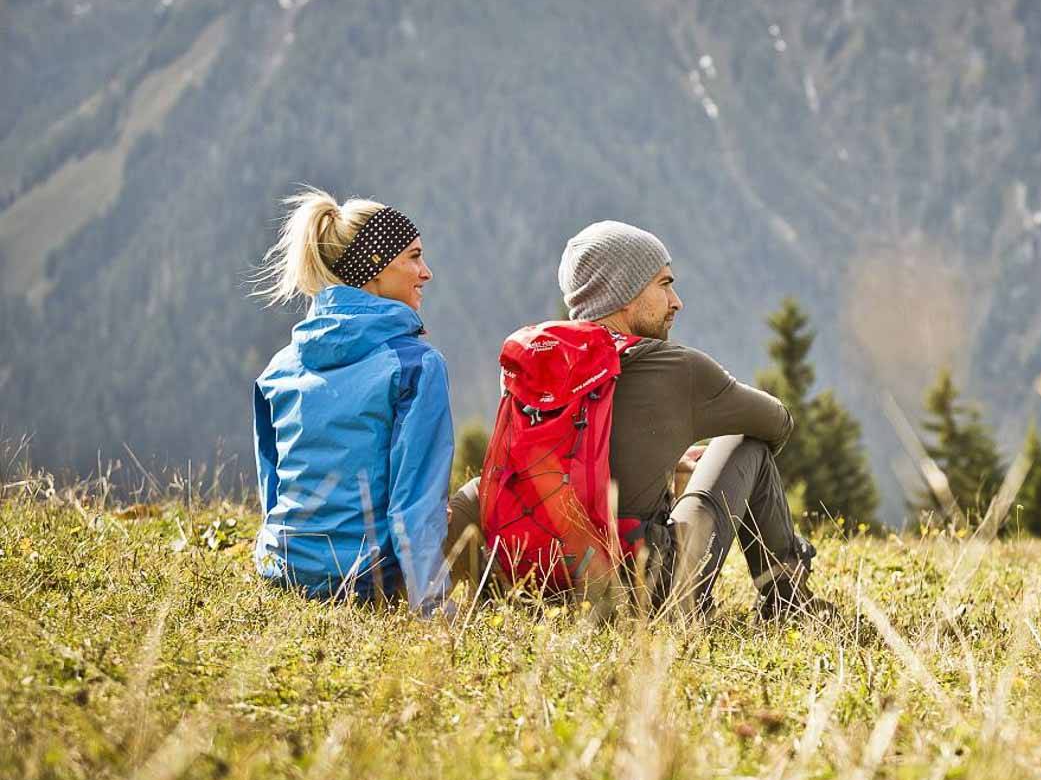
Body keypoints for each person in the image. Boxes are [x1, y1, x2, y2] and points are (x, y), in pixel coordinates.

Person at [450, 221, 824, 619]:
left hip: (536, 583)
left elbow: (576, 459)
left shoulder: (536, 365)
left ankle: (424, 598)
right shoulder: (678, 368)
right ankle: (790, 603)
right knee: (745, 445)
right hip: (651, 595)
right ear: (624, 294)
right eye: (664, 284)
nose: (676, 301)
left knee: (480, 488)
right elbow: (777, 423)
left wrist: (661, 456)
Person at [251, 188, 453, 612]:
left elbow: (274, 493)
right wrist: (437, 616)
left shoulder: (278, 368)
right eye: (414, 257)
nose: (426, 272)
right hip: (363, 581)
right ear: (375, 271)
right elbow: (414, 507)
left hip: (279, 572)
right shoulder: (415, 366)